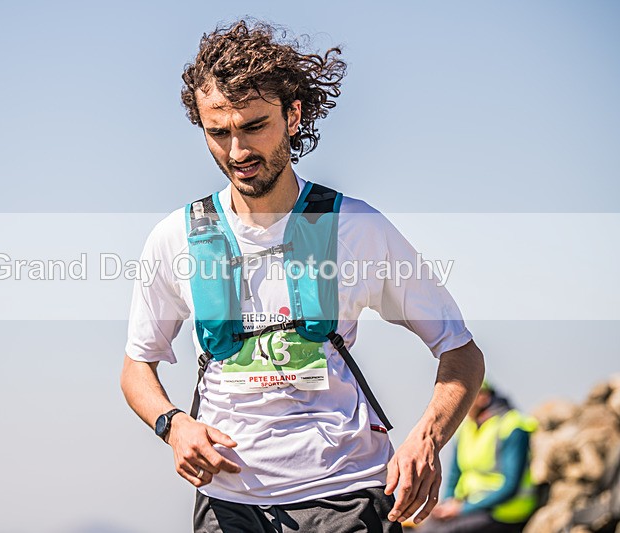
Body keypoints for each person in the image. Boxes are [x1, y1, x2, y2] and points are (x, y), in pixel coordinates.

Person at [120, 19, 485, 533]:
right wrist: (173, 424)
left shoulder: (354, 226)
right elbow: (137, 368)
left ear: (293, 115)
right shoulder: (175, 237)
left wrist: (427, 436)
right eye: (218, 133)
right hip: (228, 502)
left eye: (254, 126)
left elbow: (461, 350)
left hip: (346, 494)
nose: (238, 152)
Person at [416, 381, 538, 532]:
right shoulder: (466, 426)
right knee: (426, 527)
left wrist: (462, 509)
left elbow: (511, 486)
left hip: (505, 511)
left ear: (483, 397)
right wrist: (447, 504)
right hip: (470, 506)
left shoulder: (512, 426)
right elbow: (455, 474)